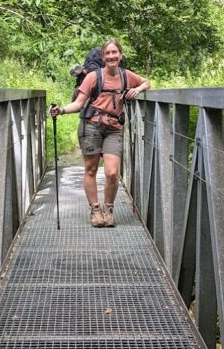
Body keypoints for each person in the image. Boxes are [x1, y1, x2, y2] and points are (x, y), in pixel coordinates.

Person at [50, 38, 150, 227]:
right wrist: (61, 110)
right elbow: (79, 103)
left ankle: (108, 209)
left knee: (112, 172)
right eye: (108, 53)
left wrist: (137, 89)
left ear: (120, 55)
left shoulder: (126, 75)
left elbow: (147, 82)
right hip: (92, 126)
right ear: (104, 57)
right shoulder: (93, 77)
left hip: (114, 128)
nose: (111, 56)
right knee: (91, 169)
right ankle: (95, 210)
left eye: (115, 53)